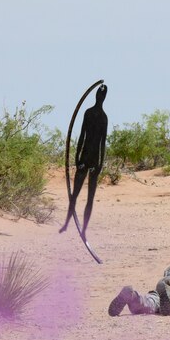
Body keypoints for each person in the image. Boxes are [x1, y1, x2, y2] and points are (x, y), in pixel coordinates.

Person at [60, 84, 108, 238]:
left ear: (104, 98)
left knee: (90, 197)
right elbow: (82, 136)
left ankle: (84, 230)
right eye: (98, 95)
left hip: (94, 161)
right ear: (96, 96)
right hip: (84, 158)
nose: (100, 97)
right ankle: (67, 224)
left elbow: (102, 143)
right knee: (74, 194)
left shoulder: (104, 118)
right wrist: (76, 158)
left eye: (102, 96)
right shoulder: (88, 113)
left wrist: (100, 164)